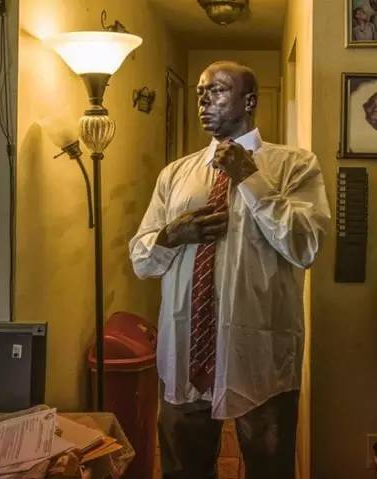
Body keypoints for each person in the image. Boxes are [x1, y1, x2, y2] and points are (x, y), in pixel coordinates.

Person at [129, 61, 330, 479]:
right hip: (185, 352)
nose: (204, 101)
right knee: (183, 469)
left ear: (250, 101)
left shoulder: (294, 166)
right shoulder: (175, 174)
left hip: (260, 355)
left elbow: (306, 246)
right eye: (200, 92)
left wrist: (249, 178)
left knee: (269, 468)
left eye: (217, 91)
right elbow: (141, 259)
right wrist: (171, 235)